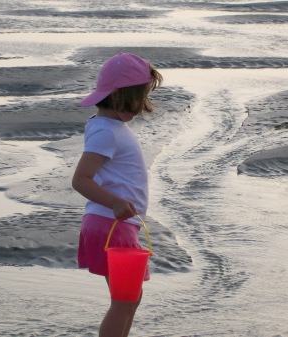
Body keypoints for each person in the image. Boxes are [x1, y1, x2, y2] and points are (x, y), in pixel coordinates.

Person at [72, 52, 163, 337]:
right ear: (125, 96)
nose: (144, 104)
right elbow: (80, 180)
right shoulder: (106, 132)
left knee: (130, 299)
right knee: (124, 301)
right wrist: (114, 202)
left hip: (113, 223)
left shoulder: (106, 126)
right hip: (111, 223)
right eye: (142, 97)